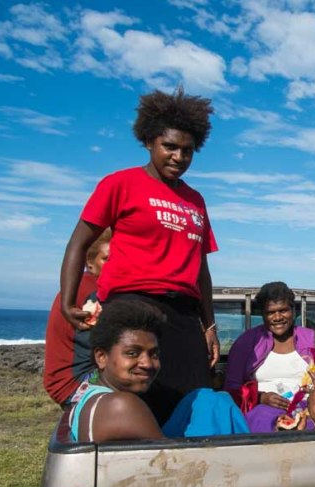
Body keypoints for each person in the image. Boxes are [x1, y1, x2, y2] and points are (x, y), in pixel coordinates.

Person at [59, 87, 219, 425]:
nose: (178, 157)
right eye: (170, 147)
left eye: (188, 151)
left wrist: (209, 324)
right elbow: (78, 243)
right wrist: (68, 300)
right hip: (133, 307)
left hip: (183, 315)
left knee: (194, 402)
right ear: (149, 142)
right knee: (142, 400)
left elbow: (201, 269)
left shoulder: (196, 200)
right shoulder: (120, 184)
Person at [70, 300, 248, 443]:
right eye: (132, 353)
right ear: (101, 356)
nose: (147, 363)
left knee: (205, 398)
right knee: (213, 402)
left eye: (154, 354)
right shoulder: (121, 405)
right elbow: (173, 466)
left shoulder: (88, 390)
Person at [224, 282, 315, 433]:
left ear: (293, 310)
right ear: (263, 315)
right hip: (262, 412)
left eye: (283, 310)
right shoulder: (247, 342)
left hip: (308, 408)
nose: (277, 317)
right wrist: (259, 397)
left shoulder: (312, 339)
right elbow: (231, 389)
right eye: (271, 312)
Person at [43, 229, 111, 407]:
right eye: (107, 259)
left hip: (59, 379)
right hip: (75, 381)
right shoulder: (93, 293)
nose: (113, 266)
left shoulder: (74, 287)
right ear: (90, 262)